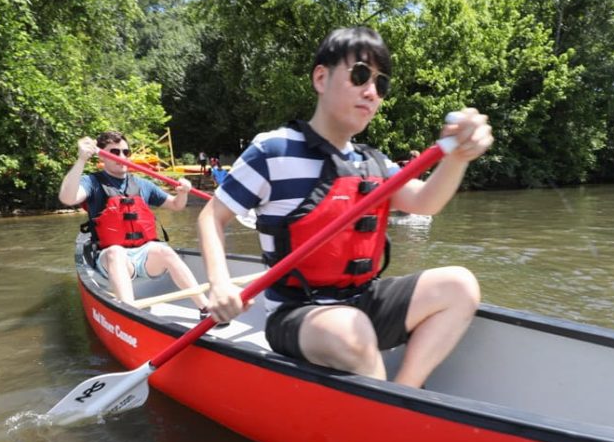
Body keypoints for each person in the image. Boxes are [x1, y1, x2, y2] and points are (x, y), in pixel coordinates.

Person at [197, 25, 493, 388]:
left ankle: (404, 395)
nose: (371, 92)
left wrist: (458, 158)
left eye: (380, 85)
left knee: (460, 285)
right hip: (297, 313)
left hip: (361, 301)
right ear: (321, 77)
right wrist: (219, 283)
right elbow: (213, 216)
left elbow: (426, 202)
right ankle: (385, 416)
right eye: (360, 75)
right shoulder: (273, 150)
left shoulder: (376, 162)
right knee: (353, 332)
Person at [59, 131, 209, 310]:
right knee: (116, 253)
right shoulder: (92, 182)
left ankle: (205, 307)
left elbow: (176, 205)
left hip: (145, 257)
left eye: (125, 152)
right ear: (102, 158)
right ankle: (130, 311)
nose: (121, 156)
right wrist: (81, 160)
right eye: (114, 152)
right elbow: (68, 198)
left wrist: (182, 192)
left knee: (164, 250)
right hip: (111, 258)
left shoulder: (143, 184)